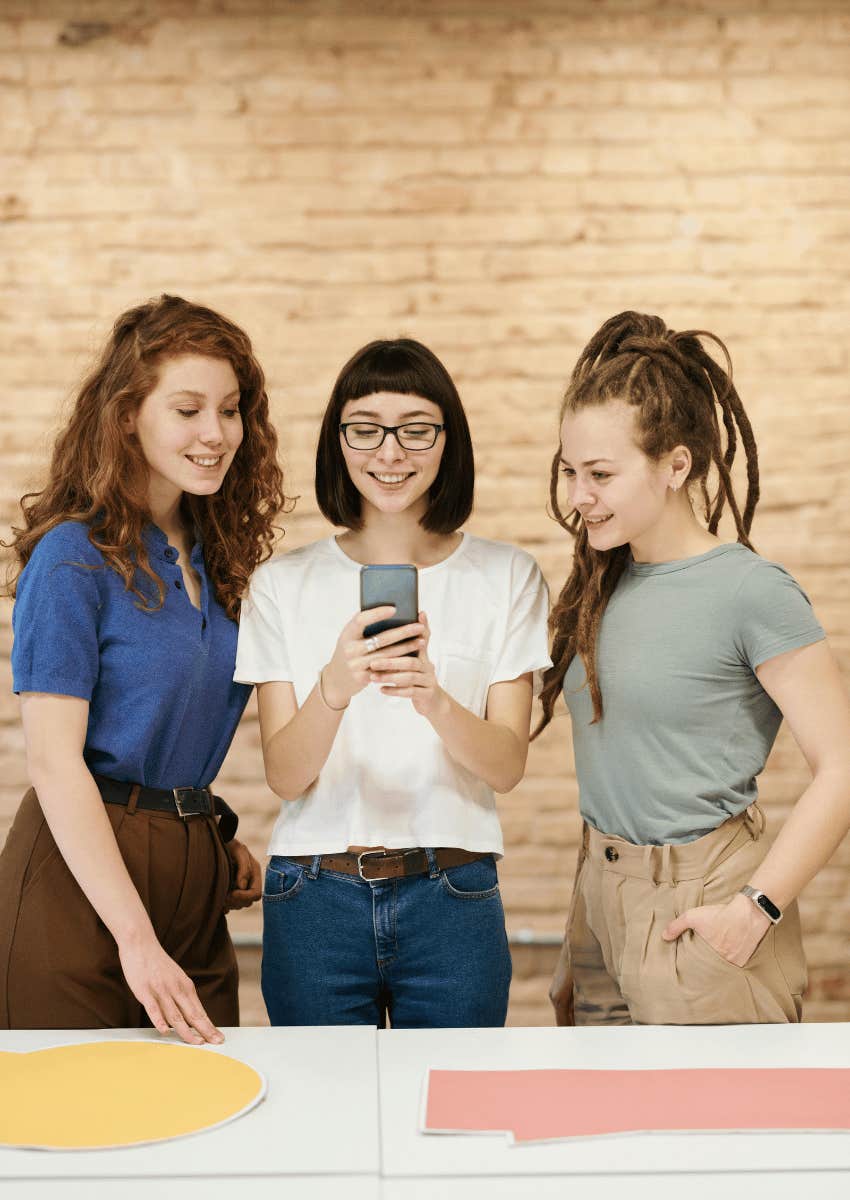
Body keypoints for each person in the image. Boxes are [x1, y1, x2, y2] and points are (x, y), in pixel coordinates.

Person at [537, 310, 850, 1026]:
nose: (580, 495)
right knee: (603, 1133)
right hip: (599, 901)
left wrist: (756, 909)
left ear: (676, 465)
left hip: (705, 910)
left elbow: (842, 766)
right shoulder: (599, 586)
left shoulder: (750, 592)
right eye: (571, 472)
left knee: (717, 1137)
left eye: (602, 474)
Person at [234, 337, 550, 1027]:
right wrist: (334, 688)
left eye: (416, 430)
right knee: (324, 1116)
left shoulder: (507, 576)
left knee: (453, 1115)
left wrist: (435, 699)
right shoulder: (282, 584)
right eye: (365, 429)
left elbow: (506, 766)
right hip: (314, 895)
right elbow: (286, 776)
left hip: (454, 894)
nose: (390, 453)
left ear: (448, 441)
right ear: (337, 442)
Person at [0, 294, 286, 1044]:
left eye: (230, 411)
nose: (216, 434)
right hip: (79, 885)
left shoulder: (213, 557)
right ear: (128, 414)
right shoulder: (72, 558)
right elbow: (57, 764)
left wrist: (201, 829)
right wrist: (135, 939)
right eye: (187, 409)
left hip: (192, 882)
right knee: (75, 1137)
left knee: (206, 1123)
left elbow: (174, 719)